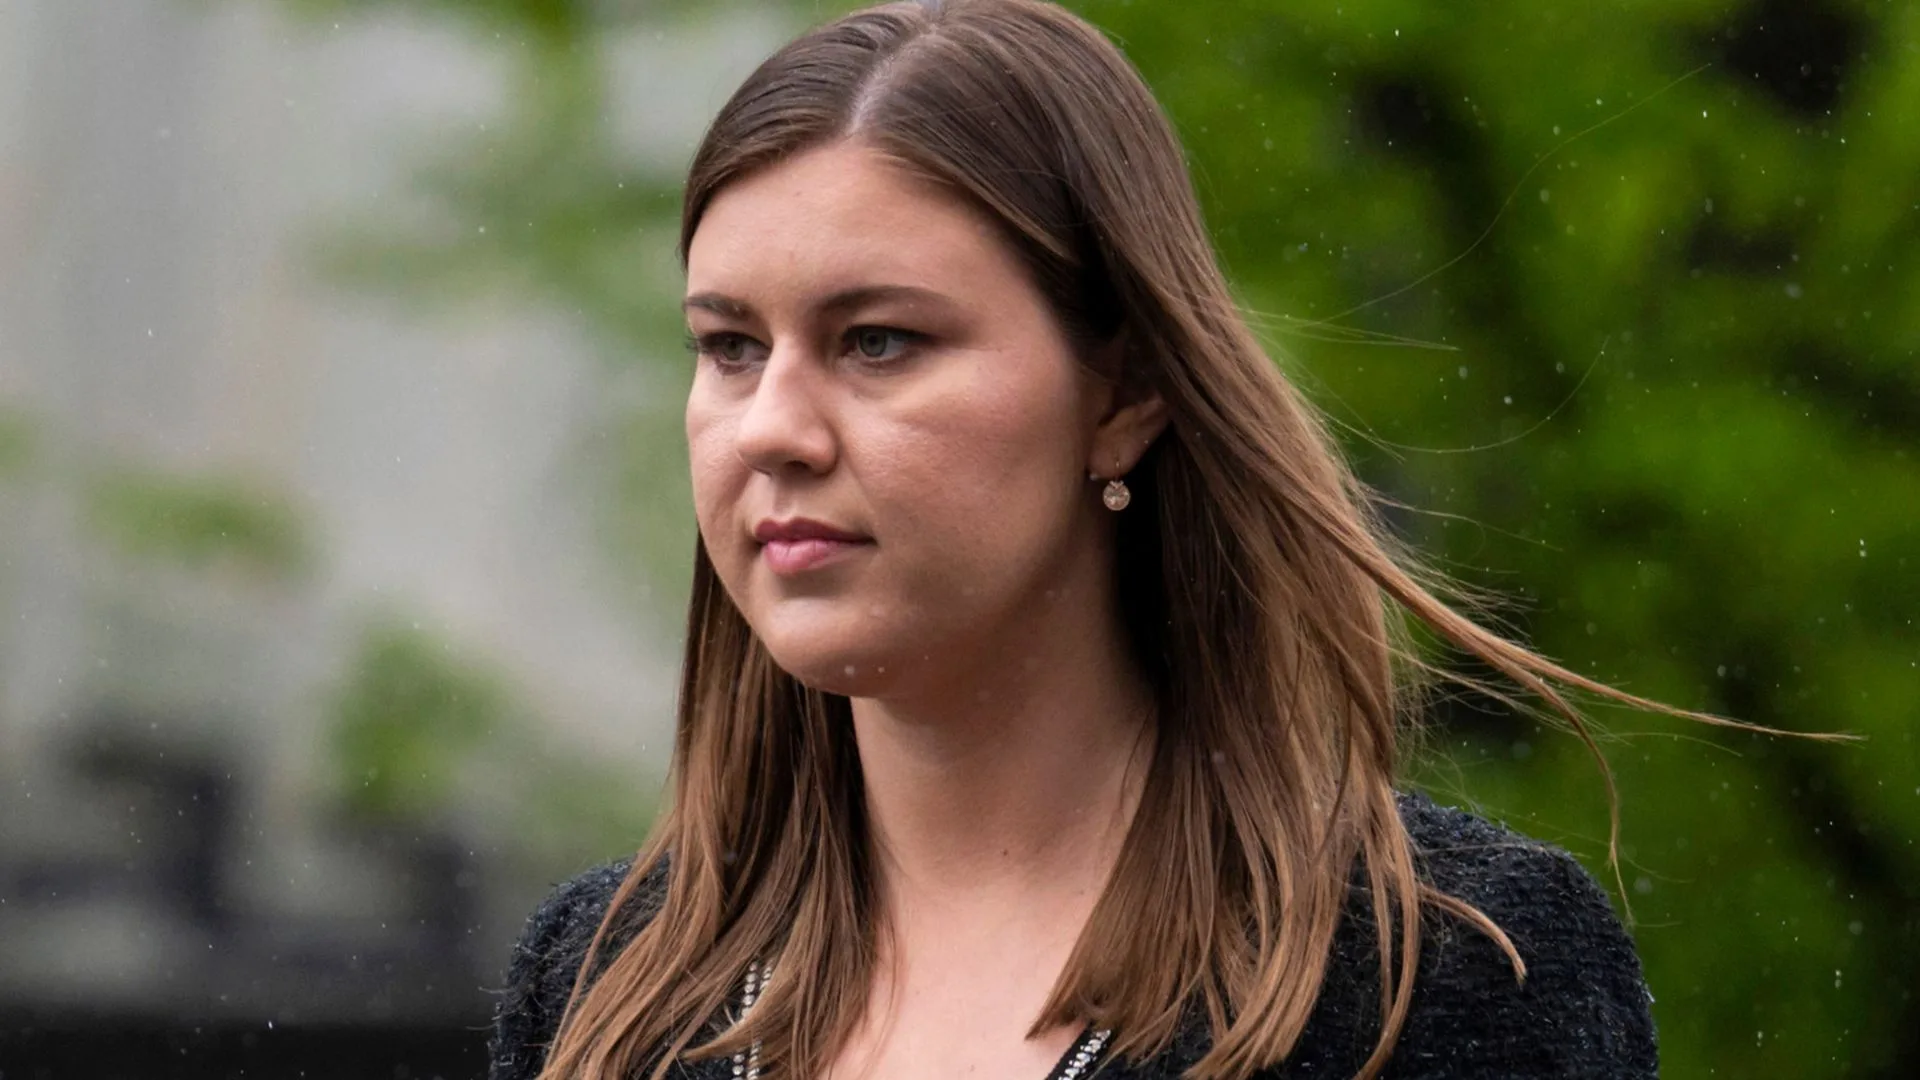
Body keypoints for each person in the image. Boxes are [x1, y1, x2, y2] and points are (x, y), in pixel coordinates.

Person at [486, 1, 1711, 1076]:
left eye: (879, 341)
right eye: (730, 347)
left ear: (1123, 393)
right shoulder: (605, 992)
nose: (772, 430)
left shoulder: (1429, 975)